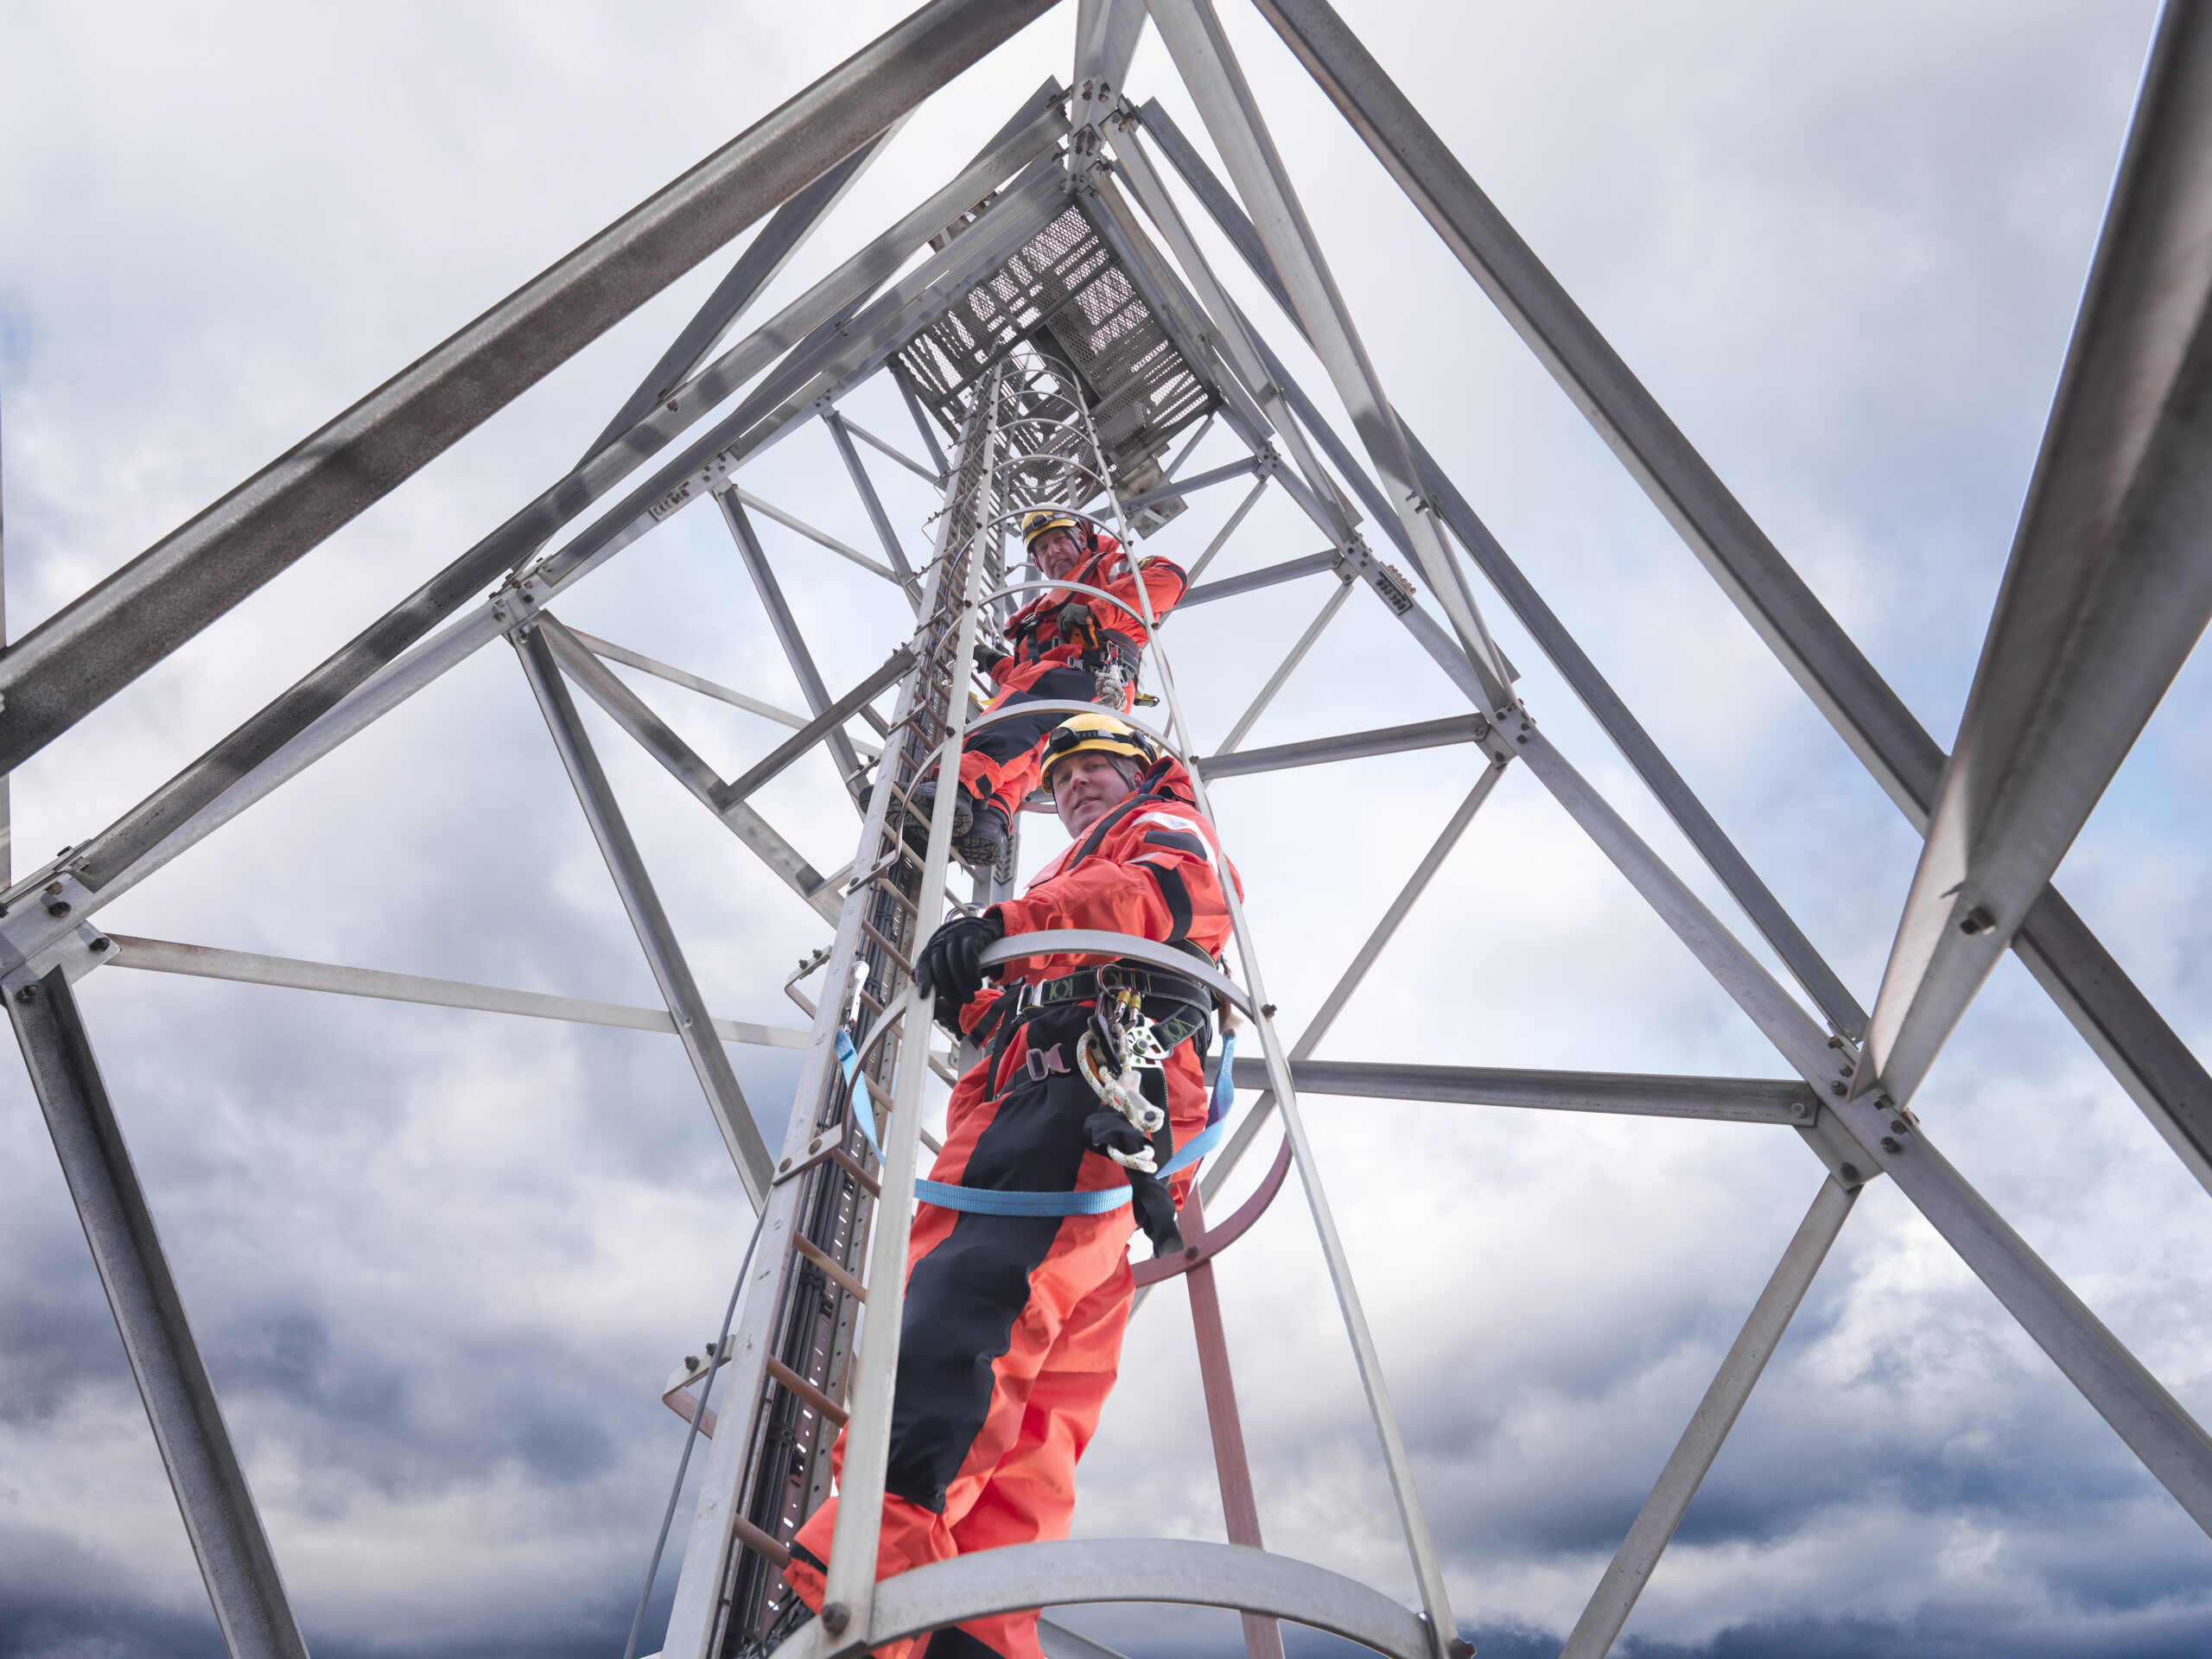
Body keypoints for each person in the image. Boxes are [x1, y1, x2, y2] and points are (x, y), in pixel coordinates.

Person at [782, 712, 1240, 1659]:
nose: (1073, 783)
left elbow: (1160, 894)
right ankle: (975, 1628)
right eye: (1061, 773)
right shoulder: (1073, 867)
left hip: (1074, 1088)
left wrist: (1003, 927)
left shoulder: (1161, 828)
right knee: (1040, 1399)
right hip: (1067, 1099)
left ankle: (867, 1585)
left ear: (1146, 771)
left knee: (964, 1308)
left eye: (1097, 765)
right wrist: (987, 989)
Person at [911, 506, 1187, 873]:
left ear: (1081, 539)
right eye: (1041, 548)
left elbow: (1169, 578)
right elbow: (1027, 671)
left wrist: (1097, 612)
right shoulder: (1035, 616)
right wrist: (991, 660)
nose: (1052, 552)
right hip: (1073, 682)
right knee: (1034, 755)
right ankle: (988, 819)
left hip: (1093, 671)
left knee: (1012, 720)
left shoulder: (1108, 568)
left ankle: (953, 788)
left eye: (1059, 539)